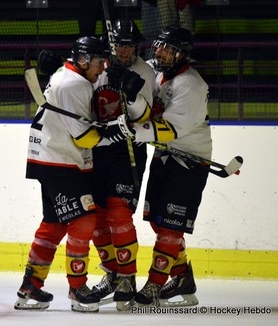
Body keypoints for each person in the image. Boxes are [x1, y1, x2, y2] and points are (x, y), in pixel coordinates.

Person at [14, 36, 130, 313]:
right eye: (100, 61)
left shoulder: (68, 75)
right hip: (61, 160)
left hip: (50, 157)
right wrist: (120, 130)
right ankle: (77, 287)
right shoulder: (75, 83)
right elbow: (86, 138)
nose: (103, 67)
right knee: (84, 220)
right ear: (82, 60)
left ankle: (30, 286)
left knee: (53, 224)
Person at [120, 25, 210, 307]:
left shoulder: (192, 85)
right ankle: (182, 277)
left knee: (171, 227)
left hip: (187, 161)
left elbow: (171, 128)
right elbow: (127, 64)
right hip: (164, 156)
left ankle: (155, 286)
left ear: (183, 55)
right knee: (160, 223)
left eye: (168, 49)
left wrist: (131, 130)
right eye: (159, 45)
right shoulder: (156, 72)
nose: (159, 52)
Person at [89, 19, 155, 311]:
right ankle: (112, 274)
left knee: (119, 214)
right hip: (98, 148)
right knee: (98, 218)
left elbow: (143, 119)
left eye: (128, 45)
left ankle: (128, 276)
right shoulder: (98, 65)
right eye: (119, 44)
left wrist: (130, 92)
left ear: (136, 46)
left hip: (128, 149)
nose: (123, 50)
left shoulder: (144, 71)